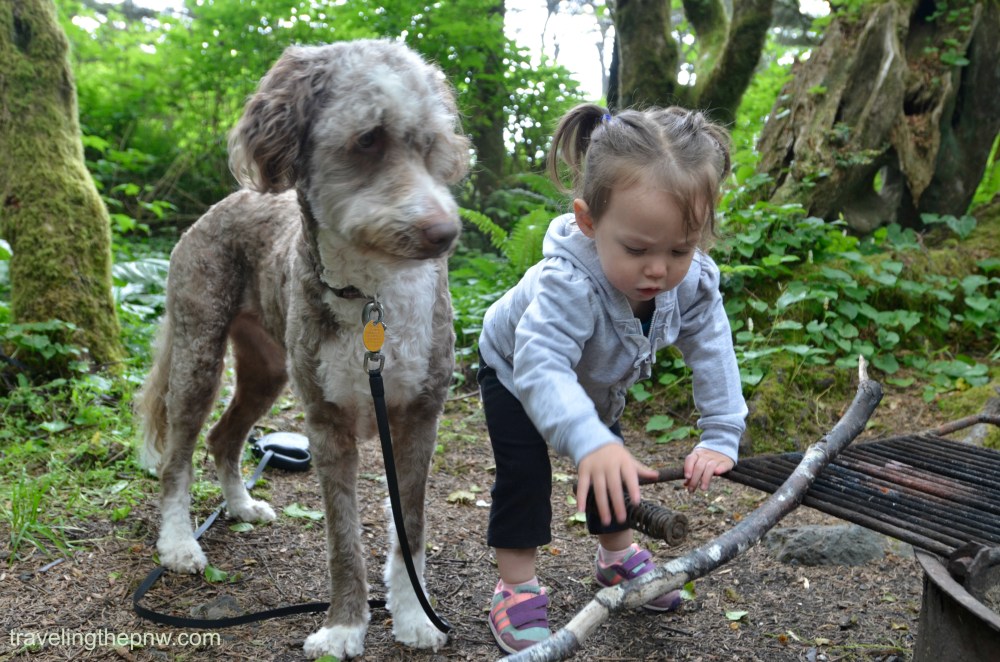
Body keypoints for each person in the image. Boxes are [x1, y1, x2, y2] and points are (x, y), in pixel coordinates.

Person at [477, 103, 748, 654]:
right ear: (588, 221)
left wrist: (721, 434)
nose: (659, 270)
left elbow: (713, 349)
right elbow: (541, 364)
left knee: (611, 465)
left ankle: (617, 558)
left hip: (596, 383)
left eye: (679, 248)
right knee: (526, 472)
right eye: (637, 249)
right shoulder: (567, 282)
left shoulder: (690, 282)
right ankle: (517, 586)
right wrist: (590, 441)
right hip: (516, 369)